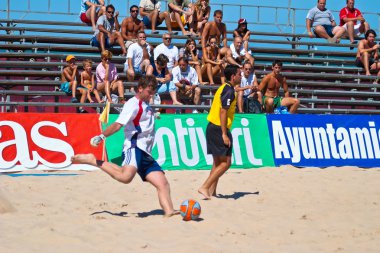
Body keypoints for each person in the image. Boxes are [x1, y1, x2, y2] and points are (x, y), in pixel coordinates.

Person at [71, 75, 179, 218]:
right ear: (140, 89)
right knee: (126, 177)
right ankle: (93, 160)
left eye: (153, 91)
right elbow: (118, 124)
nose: (151, 94)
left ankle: (169, 212)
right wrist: (101, 136)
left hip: (146, 153)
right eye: (149, 91)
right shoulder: (132, 104)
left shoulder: (145, 104)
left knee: (163, 183)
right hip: (134, 147)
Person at [198, 65, 242, 200]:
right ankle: (205, 187)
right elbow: (223, 111)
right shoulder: (229, 91)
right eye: (239, 74)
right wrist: (224, 133)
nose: (241, 76)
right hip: (219, 128)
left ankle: (211, 191)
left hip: (212, 127)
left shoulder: (223, 87)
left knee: (217, 163)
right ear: (233, 76)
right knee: (226, 163)